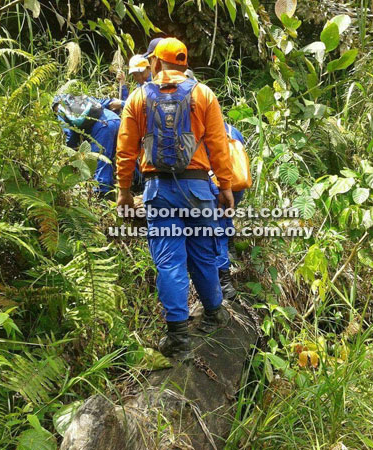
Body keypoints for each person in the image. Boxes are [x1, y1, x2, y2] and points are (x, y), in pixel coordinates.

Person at [116, 38, 234, 361]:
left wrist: (124, 192)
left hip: (159, 192)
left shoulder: (139, 98)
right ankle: (214, 313)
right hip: (198, 190)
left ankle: (179, 337)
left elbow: (125, 150)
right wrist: (225, 186)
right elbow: (219, 145)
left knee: (169, 261)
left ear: (156, 63)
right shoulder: (204, 95)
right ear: (184, 64)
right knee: (203, 256)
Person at [53, 94, 120, 197]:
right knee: (123, 154)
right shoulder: (83, 99)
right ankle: (137, 181)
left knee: (99, 159)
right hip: (115, 120)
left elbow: (70, 134)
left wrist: (71, 151)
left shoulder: (61, 111)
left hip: (102, 128)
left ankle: (102, 193)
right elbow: (108, 103)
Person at [213, 122, 248, 300]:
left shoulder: (207, 129)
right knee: (225, 218)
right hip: (238, 184)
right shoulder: (231, 130)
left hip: (219, 187)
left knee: (217, 233)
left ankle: (225, 283)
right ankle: (231, 249)